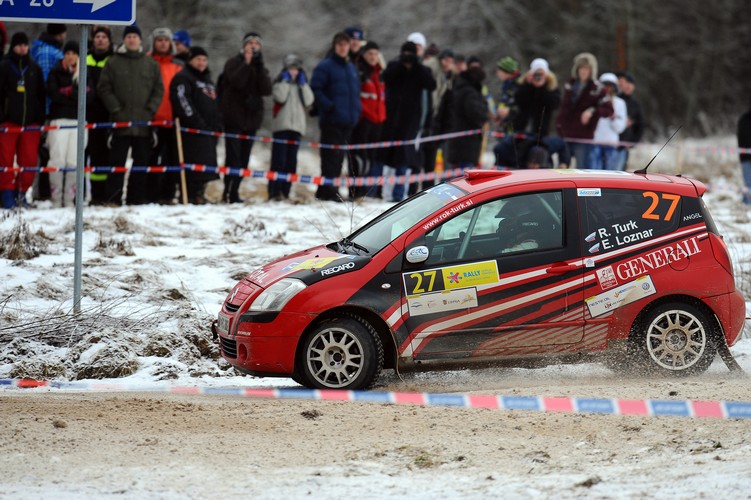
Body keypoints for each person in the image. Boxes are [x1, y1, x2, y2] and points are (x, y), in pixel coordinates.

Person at [97, 25, 163, 206]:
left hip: (143, 124)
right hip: (120, 123)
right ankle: (114, 198)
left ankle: (136, 198)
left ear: (140, 40)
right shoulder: (113, 62)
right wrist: (116, 110)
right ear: (124, 40)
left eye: (135, 36)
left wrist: (150, 111)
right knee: (117, 163)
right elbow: (104, 88)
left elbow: (158, 90)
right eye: (129, 37)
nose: (132, 39)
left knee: (141, 162)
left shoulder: (150, 64)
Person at [379, 41, 436, 202]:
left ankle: (399, 193)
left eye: (411, 54)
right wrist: (401, 66)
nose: (408, 57)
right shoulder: (394, 66)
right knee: (384, 155)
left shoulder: (421, 70)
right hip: (390, 119)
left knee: (404, 156)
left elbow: (431, 84)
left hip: (410, 121)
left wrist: (417, 66)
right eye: (405, 54)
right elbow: (385, 77)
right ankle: (379, 190)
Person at [219, 32, 272, 203]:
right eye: (250, 43)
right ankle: (227, 191)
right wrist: (247, 64)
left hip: (251, 121)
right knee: (232, 158)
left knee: (244, 159)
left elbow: (267, 89)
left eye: (257, 43)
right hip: (234, 119)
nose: (253, 46)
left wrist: (258, 65)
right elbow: (237, 82)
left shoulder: (261, 67)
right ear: (244, 46)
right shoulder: (233, 63)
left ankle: (235, 191)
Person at [309, 32, 361, 202]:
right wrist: (329, 107)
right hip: (331, 120)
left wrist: (356, 111)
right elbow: (315, 89)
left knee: (339, 159)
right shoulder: (326, 66)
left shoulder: (351, 67)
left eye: (345, 44)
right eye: (340, 44)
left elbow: (355, 93)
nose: (343, 47)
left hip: (348, 121)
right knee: (330, 158)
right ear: (335, 46)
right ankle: (329, 192)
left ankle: (326, 191)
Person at [0, 33, 46, 208]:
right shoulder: (4, 66)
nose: (22, 48)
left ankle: (21, 193)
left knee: (29, 161)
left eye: (25, 45)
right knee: (5, 160)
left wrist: (40, 119)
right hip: (8, 122)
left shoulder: (34, 68)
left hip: (31, 123)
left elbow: (41, 95)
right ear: (13, 47)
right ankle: (6, 194)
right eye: (19, 45)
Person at [170, 46, 220, 204]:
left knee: (205, 164)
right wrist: (197, 122)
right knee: (191, 163)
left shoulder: (208, 80)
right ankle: (188, 195)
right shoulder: (183, 77)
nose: (201, 63)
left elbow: (215, 103)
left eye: (204, 60)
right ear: (190, 60)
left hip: (208, 130)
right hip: (191, 130)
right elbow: (183, 102)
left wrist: (217, 124)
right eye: (198, 59)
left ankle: (200, 193)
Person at [46, 40, 91, 207]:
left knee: (75, 160)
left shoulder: (85, 72)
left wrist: (69, 92)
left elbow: (89, 95)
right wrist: (74, 95)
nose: (70, 56)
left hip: (79, 120)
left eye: (74, 53)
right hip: (59, 120)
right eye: (68, 53)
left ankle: (70, 199)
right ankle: (56, 199)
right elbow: (53, 94)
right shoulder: (55, 72)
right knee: (57, 159)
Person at [495, 57, 564, 168]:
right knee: (504, 151)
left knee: (538, 159)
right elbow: (519, 100)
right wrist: (527, 84)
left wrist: (541, 87)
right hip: (522, 130)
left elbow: (553, 104)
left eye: (541, 74)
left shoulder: (551, 88)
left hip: (540, 134)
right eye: (536, 73)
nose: (538, 76)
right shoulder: (525, 84)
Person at [268, 54, 314, 201]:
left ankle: (286, 192)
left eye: (296, 69)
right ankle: (274, 192)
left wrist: (303, 85)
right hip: (282, 127)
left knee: (291, 162)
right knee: (279, 161)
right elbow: (280, 97)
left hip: (297, 128)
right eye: (290, 69)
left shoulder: (302, 85)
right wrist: (285, 82)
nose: (293, 72)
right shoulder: (279, 83)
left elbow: (309, 100)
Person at [556, 52, 612, 169]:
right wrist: (559, 125)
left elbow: (608, 110)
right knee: (562, 169)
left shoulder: (598, 88)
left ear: (592, 70)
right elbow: (563, 107)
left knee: (582, 169)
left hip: (583, 137)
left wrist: (591, 111)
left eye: (587, 68)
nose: (583, 71)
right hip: (565, 133)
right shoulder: (569, 84)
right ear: (576, 69)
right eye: (581, 67)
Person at [410, 47, 454, 196]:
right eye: (446, 60)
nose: (448, 63)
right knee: (417, 161)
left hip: (434, 122)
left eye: (450, 61)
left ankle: (427, 193)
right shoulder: (430, 69)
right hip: (423, 121)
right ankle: (412, 191)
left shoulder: (446, 76)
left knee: (430, 162)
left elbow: (444, 101)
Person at [149, 27, 183, 204]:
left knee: (172, 159)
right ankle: (150, 194)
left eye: (165, 40)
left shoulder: (178, 65)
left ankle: (168, 194)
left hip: (173, 119)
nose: (162, 43)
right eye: (159, 40)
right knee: (151, 159)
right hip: (152, 119)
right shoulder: (148, 62)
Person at [351, 41, 386, 199]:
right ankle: (356, 190)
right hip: (364, 119)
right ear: (364, 55)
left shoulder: (379, 72)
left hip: (378, 120)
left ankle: (367, 191)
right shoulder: (360, 71)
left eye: (375, 54)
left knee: (372, 158)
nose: (373, 57)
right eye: (370, 54)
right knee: (360, 157)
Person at [86, 25, 114, 205]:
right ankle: (78, 195)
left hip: (106, 115)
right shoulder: (84, 57)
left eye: (104, 37)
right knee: (81, 156)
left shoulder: (113, 60)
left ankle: (100, 196)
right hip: (85, 114)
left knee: (101, 157)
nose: (100, 40)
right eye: (98, 37)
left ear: (109, 41)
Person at [446, 57, 488, 170]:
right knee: (463, 175)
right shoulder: (470, 92)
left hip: (460, 142)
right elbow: (475, 113)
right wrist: (484, 116)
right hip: (466, 143)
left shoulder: (462, 87)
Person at [589, 73, 627, 170]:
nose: (607, 88)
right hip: (595, 143)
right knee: (594, 173)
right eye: (605, 85)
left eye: (610, 86)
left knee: (609, 174)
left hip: (611, 145)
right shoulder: (594, 101)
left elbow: (620, 128)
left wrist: (613, 117)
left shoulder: (620, 103)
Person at [613, 71, 644, 171]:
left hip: (624, 147)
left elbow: (640, 125)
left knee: (619, 173)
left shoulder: (635, 104)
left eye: (631, 84)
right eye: (626, 83)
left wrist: (633, 142)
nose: (628, 86)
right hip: (611, 143)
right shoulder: (615, 99)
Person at [737, 102, 751, 205]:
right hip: (745, 157)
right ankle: (746, 204)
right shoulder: (745, 119)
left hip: (745, 156)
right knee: (748, 183)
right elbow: (744, 137)